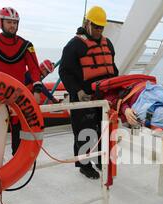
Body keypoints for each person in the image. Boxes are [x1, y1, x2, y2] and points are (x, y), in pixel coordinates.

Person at [59, 6, 118, 179]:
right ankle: (84, 165)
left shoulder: (108, 43)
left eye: (102, 27)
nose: (99, 31)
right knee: (84, 133)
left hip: (104, 98)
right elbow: (64, 71)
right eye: (96, 27)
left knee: (103, 131)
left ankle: (100, 159)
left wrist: (116, 88)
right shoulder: (74, 45)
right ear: (87, 23)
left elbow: (112, 68)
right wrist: (77, 91)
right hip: (83, 99)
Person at [0, 7, 43, 155]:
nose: (12, 26)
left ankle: (17, 158)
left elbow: (34, 70)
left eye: (15, 22)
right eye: (9, 22)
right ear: (1, 23)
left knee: (18, 130)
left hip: (19, 95)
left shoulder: (27, 46)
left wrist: (37, 90)